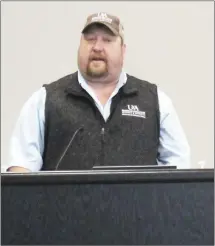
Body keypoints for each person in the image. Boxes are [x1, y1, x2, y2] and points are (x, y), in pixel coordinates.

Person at [6, 12, 190, 172]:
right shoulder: (45, 100)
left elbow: (180, 169)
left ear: (123, 50)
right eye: (90, 39)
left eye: (107, 40)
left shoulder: (155, 101)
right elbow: (21, 170)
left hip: (138, 213)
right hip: (63, 213)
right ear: (79, 45)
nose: (97, 47)